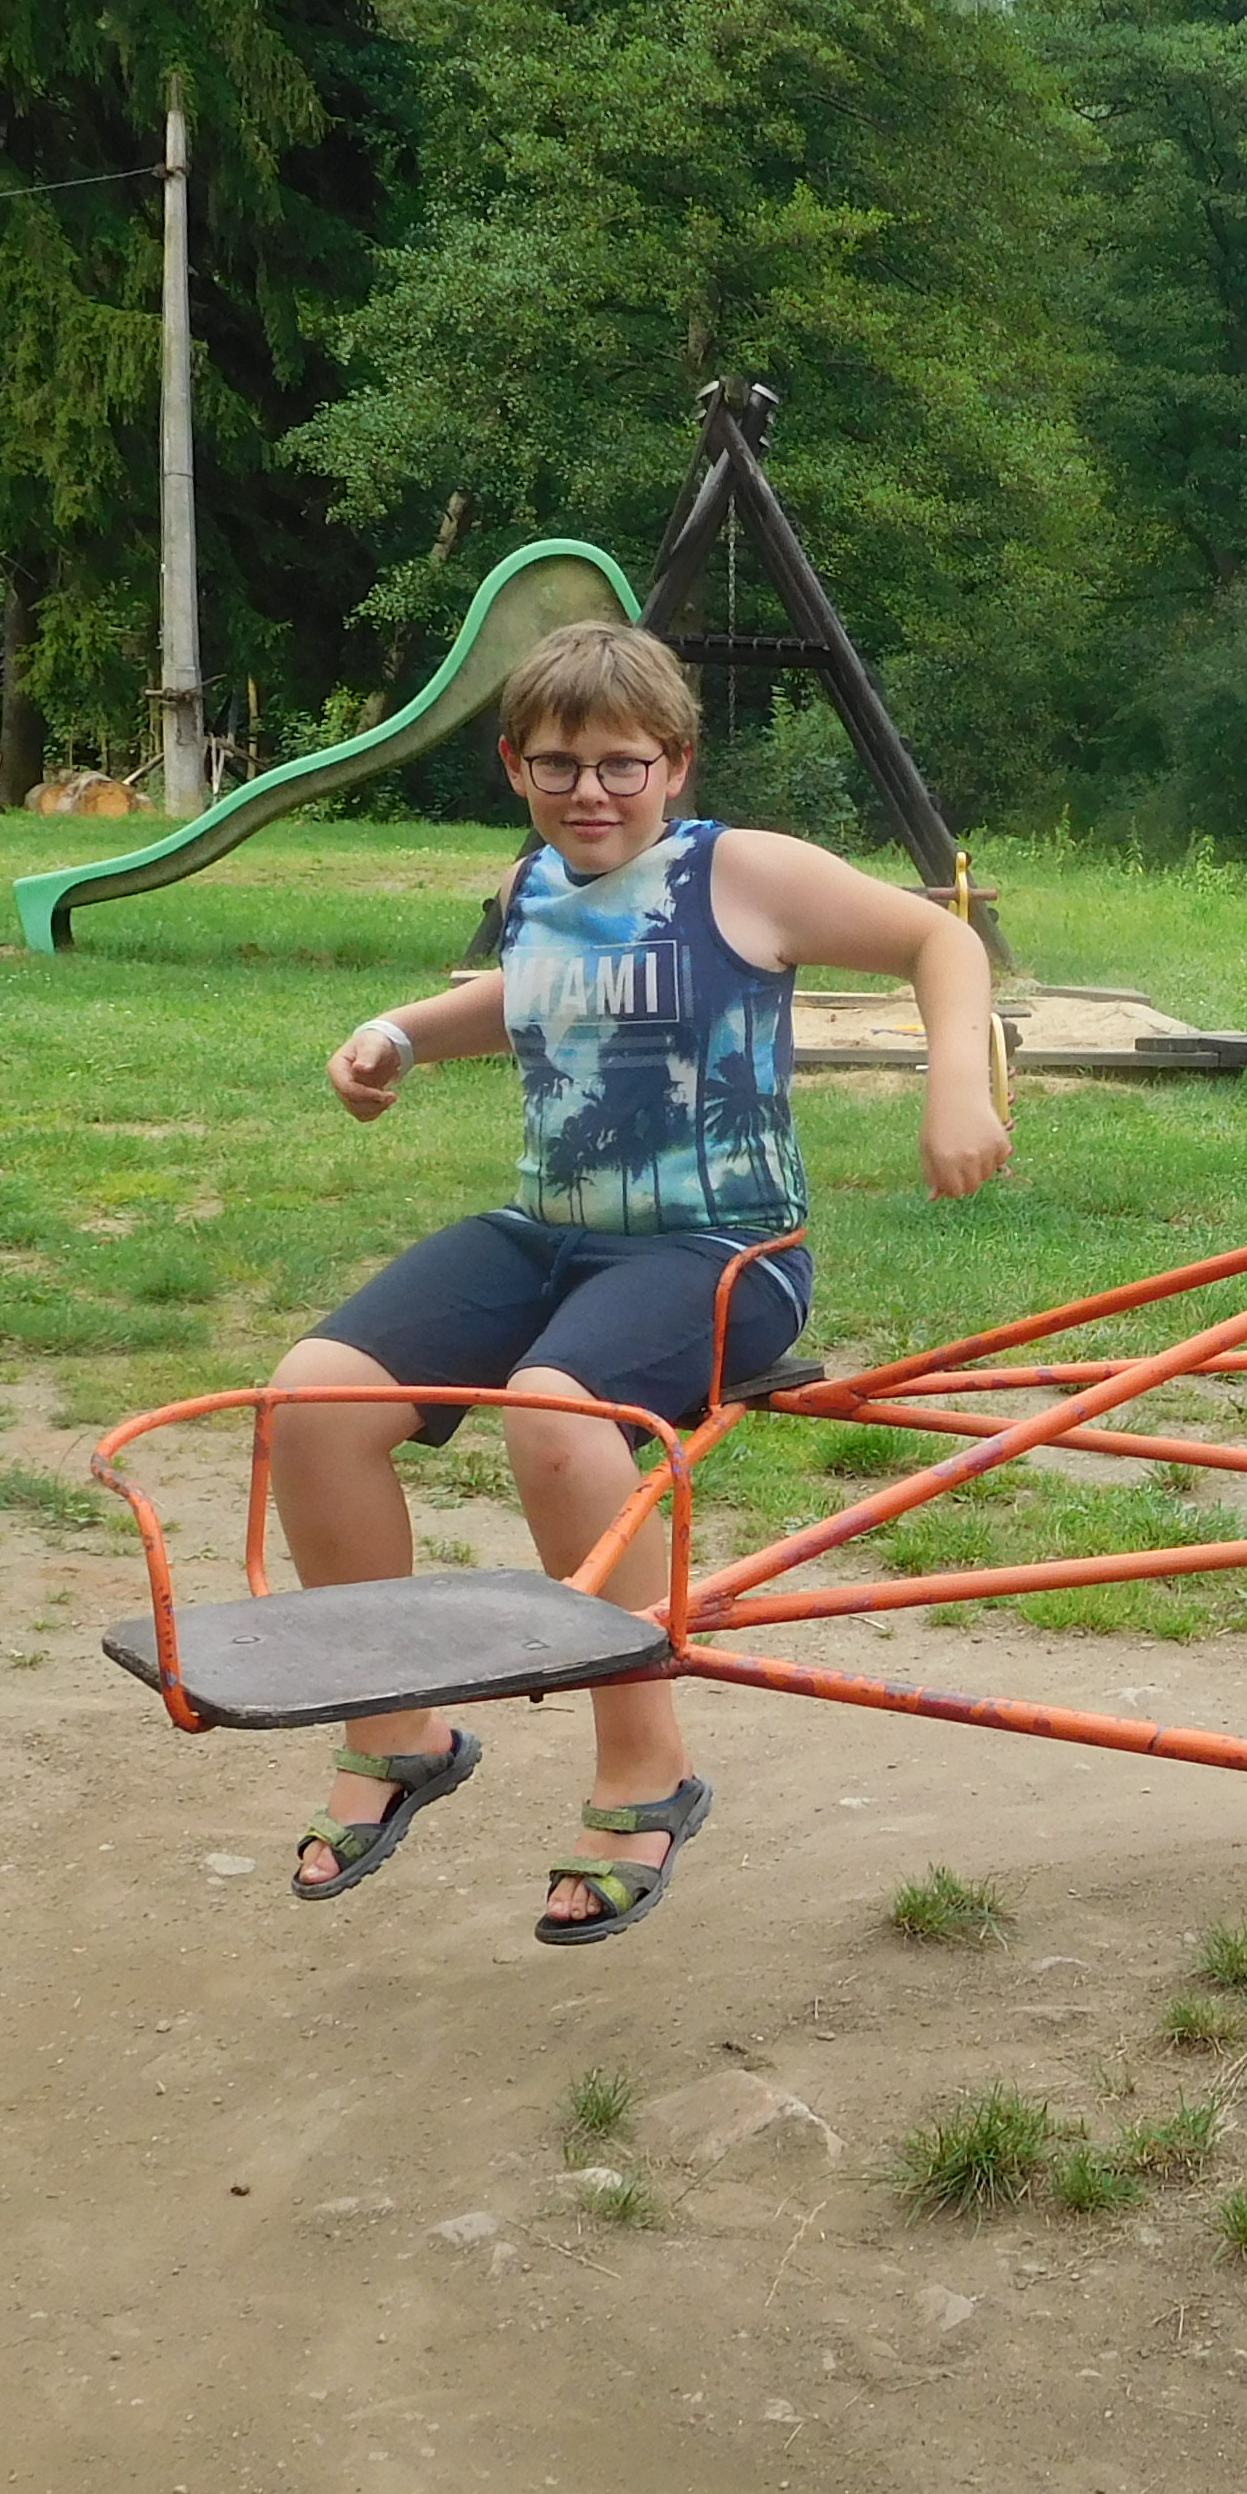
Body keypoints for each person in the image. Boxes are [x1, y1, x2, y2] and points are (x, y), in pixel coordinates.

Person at [260, 620, 1008, 1943]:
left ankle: (646, 1764)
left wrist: (955, 1085)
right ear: (515, 767)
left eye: (621, 764)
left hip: (726, 1253)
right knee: (311, 1397)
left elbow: (939, 945)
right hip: (551, 1236)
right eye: (558, 766)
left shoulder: (742, 874)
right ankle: (397, 1728)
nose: (590, 791)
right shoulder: (537, 884)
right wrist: (397, 1035)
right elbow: (534, 996)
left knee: (558, 1415)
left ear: (675, 762)